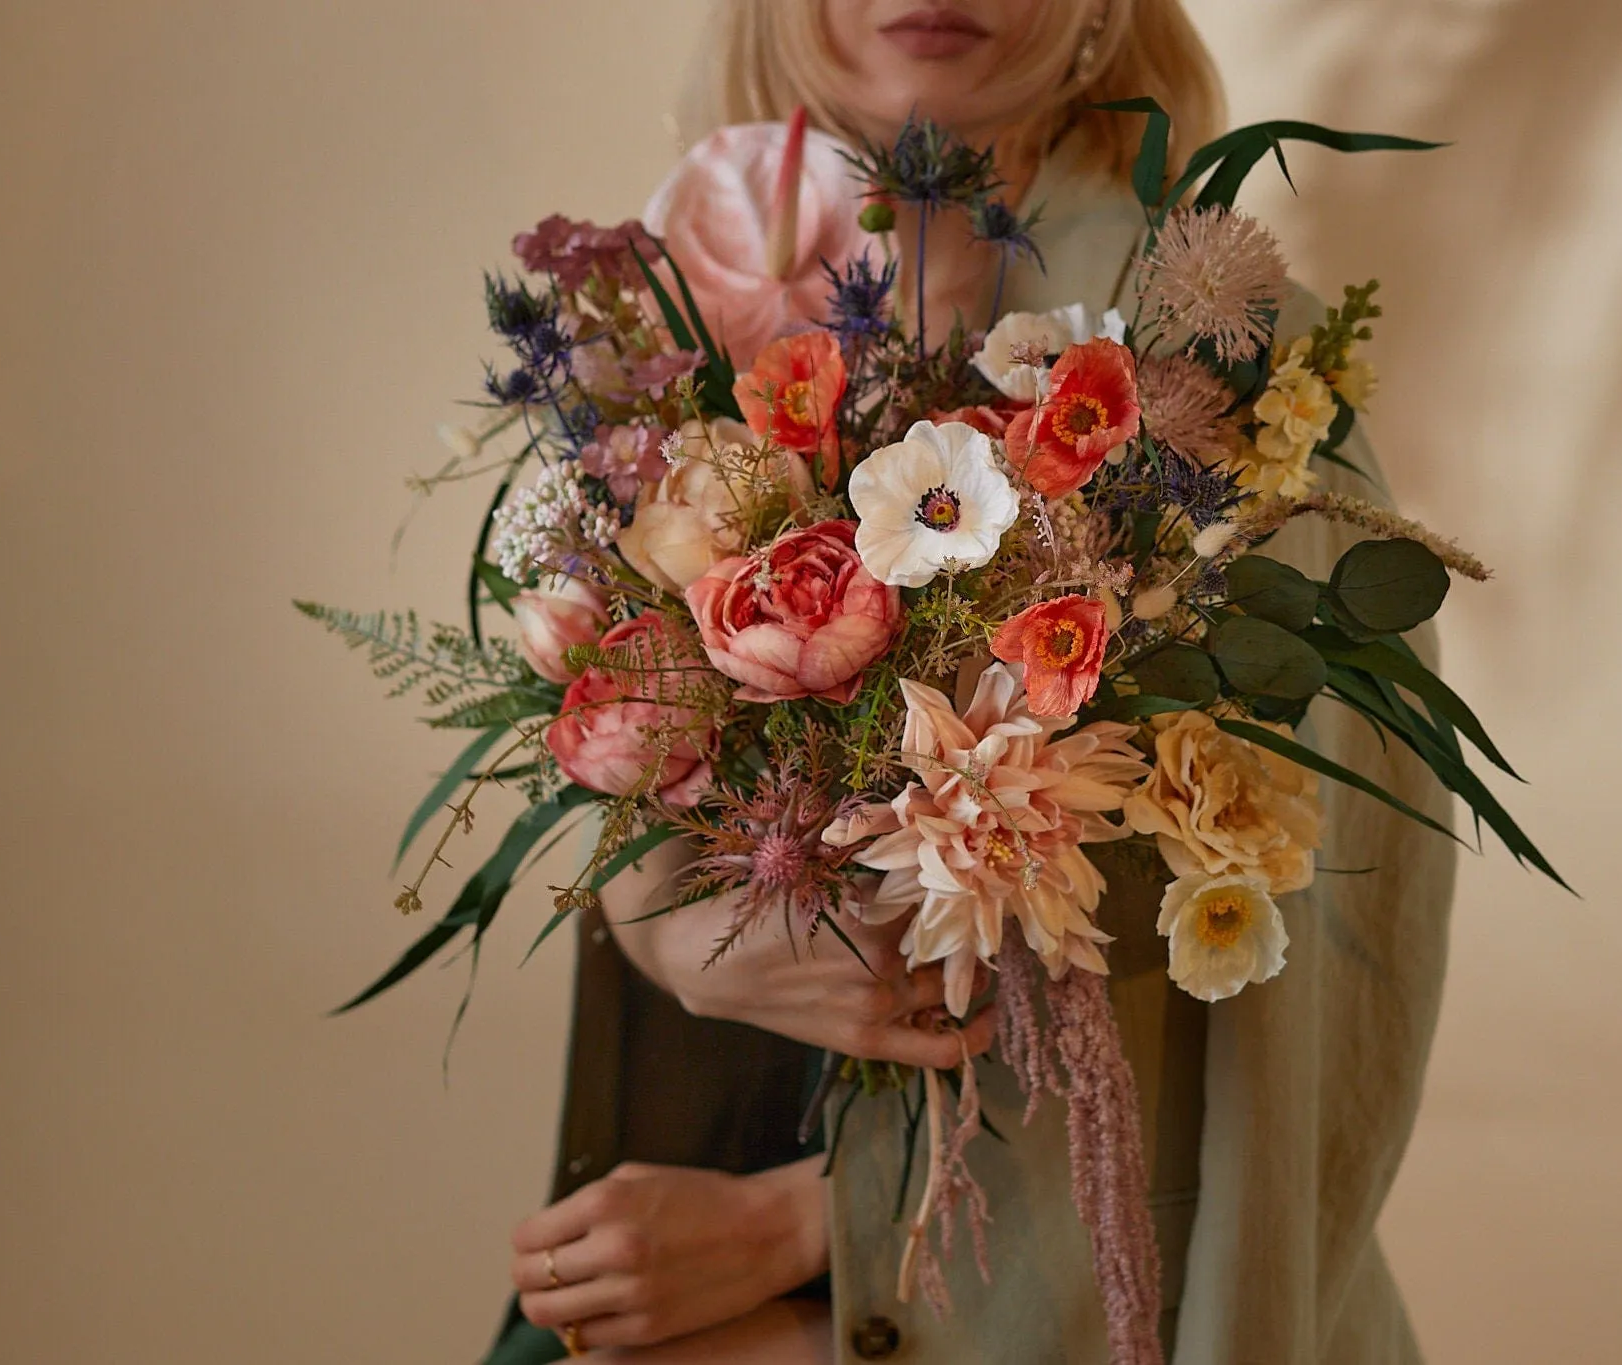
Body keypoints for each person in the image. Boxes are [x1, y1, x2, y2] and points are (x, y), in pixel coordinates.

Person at [487, 2, 1456, 1361]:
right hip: (687, 1232)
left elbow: (1318, 960)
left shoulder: (1224, 367)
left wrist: (816, 1226)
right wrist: (669, 924)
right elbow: (612, 745)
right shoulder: (662, 339)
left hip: (1064, 1306)